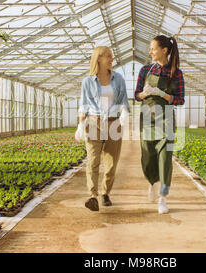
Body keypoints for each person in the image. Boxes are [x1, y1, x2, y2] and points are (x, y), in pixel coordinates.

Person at [134, 35, 185, 214]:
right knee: (148, 155)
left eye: (153, 48)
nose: (150, 52)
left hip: (167, 118)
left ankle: (163, 198)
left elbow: (179, 100)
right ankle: (152, 182)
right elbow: (136, 95)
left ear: (164, 50)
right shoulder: (145, 70)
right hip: (147, 117)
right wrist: (144, 94)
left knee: (165, 159)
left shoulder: (175, 73)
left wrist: (162, 94)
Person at [75, 46, 130, 211]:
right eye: (108, 56)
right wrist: (80, 124)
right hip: (94, 123)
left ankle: (105, 192)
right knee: (93, 160)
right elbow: (83, 105)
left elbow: (123, 101)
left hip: (114, 123)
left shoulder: (118, 79)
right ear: (98, 58)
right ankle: (93, 196)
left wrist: (124, 113)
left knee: (111, 163)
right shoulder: (88, 81)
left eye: (112, 57)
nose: (111, 59)